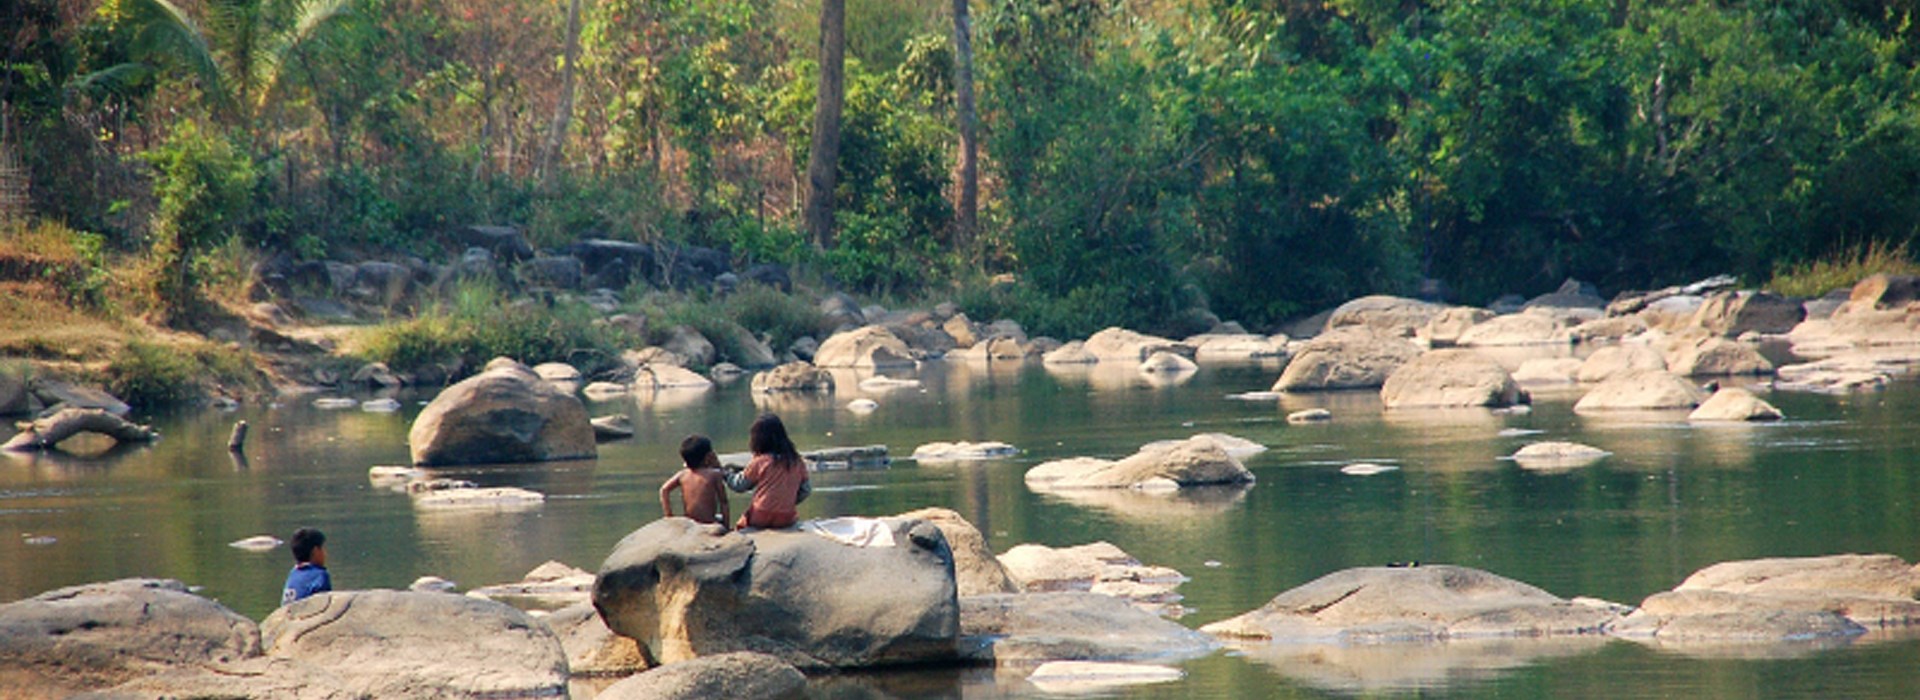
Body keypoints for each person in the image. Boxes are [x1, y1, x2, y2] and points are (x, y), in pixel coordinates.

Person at [725, 413, 811, 530]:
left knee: (742, 522)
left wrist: (726, 475)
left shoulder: (760, 462)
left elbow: (739, 485)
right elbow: (806, 490)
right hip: (786, 517)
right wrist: (788, 501)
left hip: (760, 515)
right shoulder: (796, 461)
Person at [659, 434, 731, 528]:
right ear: (708, 457)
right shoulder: (714, 475)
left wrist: (669, 516)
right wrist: (726, 526)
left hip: (690, 523)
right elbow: (724, 502)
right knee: (719, 518)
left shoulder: (683, 474)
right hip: (709, 522)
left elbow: (664, 490)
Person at [281, 527, 332, 605]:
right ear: (315, 551)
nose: (325, 554)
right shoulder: (320, 575)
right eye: (322, 549)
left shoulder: (293, 573)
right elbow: (323, 608)